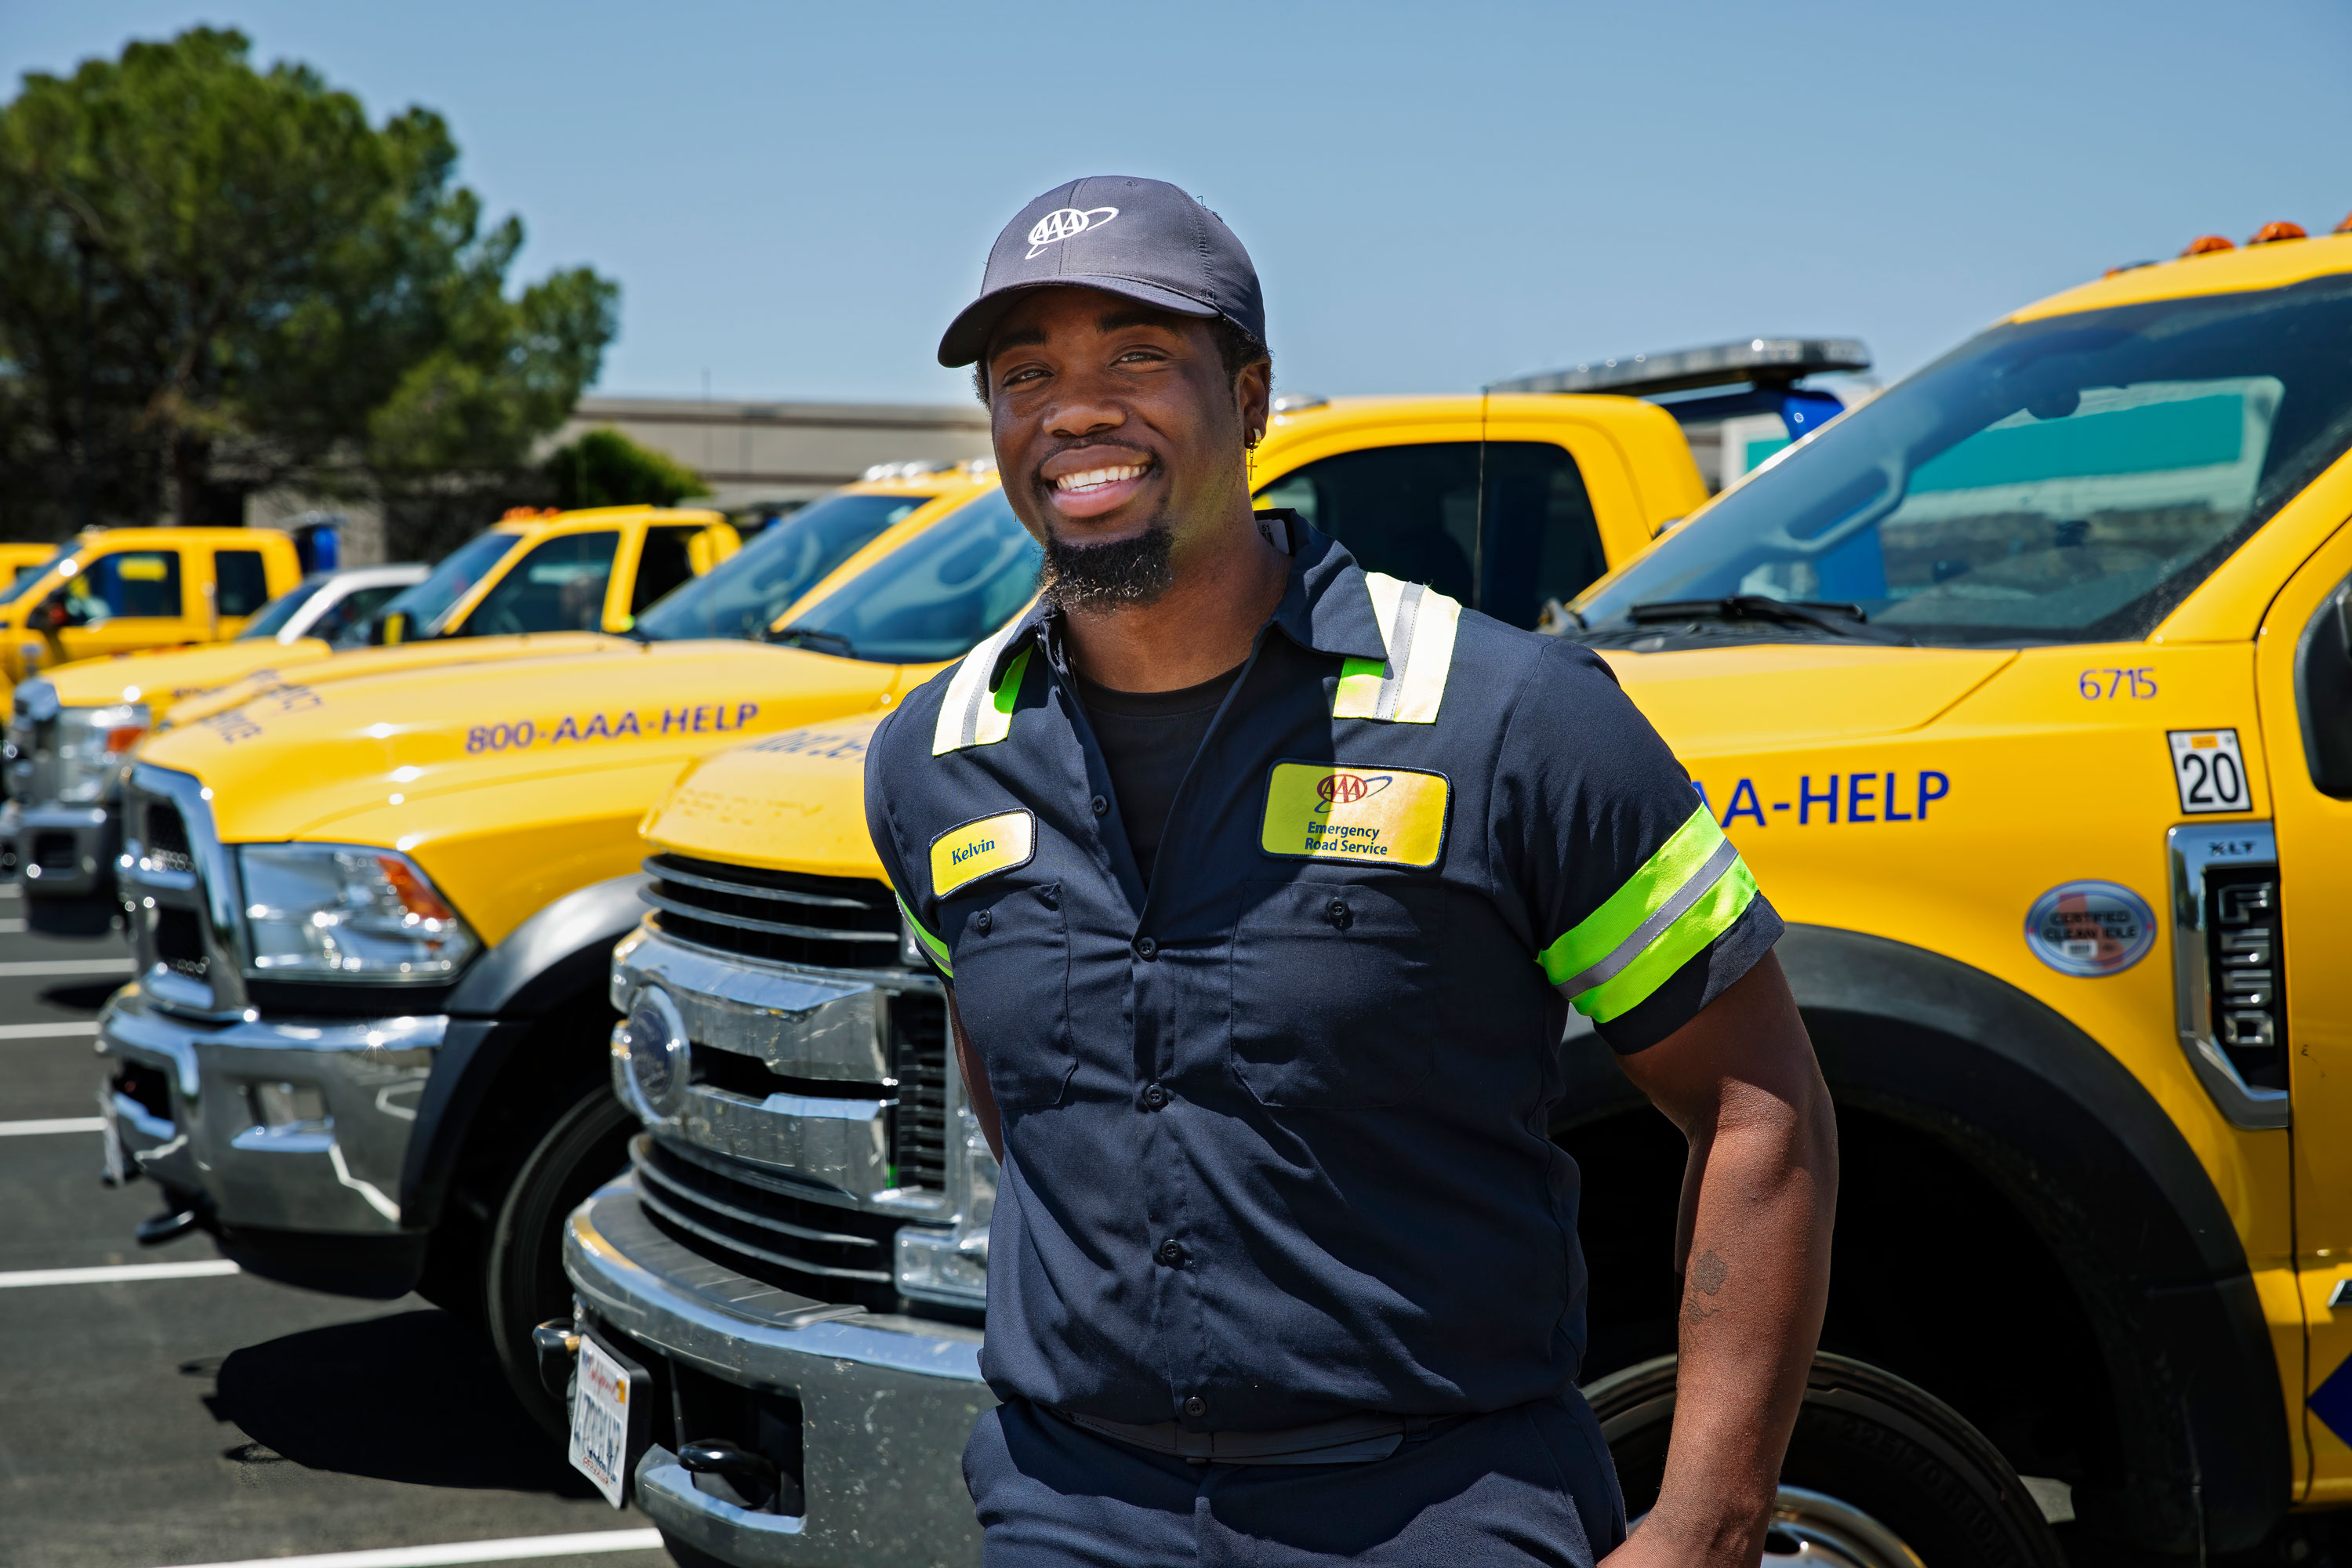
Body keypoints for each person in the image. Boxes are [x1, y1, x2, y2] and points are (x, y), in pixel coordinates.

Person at [864, 175, 1837, 1567]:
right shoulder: (932, 760)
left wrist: (1707, 1521)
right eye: (1029, 373)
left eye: (1140, 355)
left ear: (1253, 398)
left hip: (1434, 1505)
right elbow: (1017, 1092)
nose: (1077, 408)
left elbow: (1761, 1109)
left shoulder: (1512, 718)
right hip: (1070, 1506)